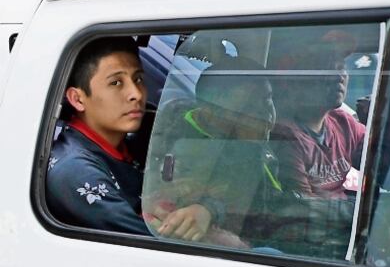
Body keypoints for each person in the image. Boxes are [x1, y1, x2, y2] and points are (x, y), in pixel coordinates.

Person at [46, 36, 211, 238]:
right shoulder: (74, 170)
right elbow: (153, 242)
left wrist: (206, 210)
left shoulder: (131, 146)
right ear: (78, 99)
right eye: (116, 82)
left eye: (138, 79)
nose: (136, 94)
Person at [143, 57, 282, 249]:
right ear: (210, 111)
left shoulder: (246, 142)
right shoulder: (184, 146)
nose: (265, 113)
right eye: (248, 107)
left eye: (267, 100)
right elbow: (222, 201)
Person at [269, 31, 366, 258]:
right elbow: (304, 213)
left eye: (341, 66)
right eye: (325, 67)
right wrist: (368, 214)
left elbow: (387, 165)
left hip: (344, 237)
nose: (338, 76)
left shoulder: (343, 122)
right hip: (313, 251)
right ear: (293, 79)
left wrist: (385, 128)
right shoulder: (282, 136)